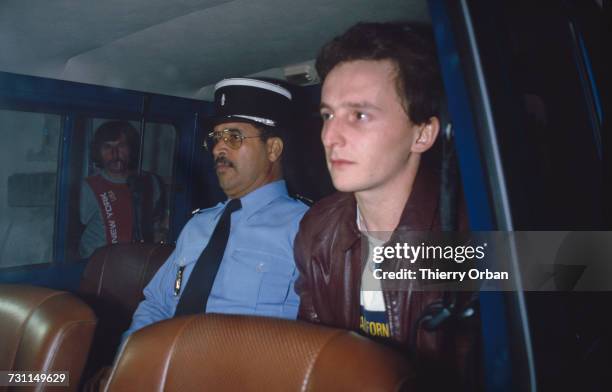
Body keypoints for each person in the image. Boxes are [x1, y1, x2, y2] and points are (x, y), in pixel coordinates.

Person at [294, 22, 477, 388]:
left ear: (422, 134)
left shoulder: (471, 233)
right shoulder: (318, 230)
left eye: (359, 115)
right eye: (327, 115)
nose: (330, 136)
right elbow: (315, 359)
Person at [123, 77, 308, 340]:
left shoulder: (306, 229)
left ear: (273, 149)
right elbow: (157, 304)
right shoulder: (198, 226)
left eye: (233, 137)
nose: (218, 147)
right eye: (216, 138)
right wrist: (127, 362)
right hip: (165, 368)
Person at [79, 121, 165, 258]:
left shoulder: (150, 182)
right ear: (98, 151)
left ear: (131, 149)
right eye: (107, 147)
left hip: (137, 264)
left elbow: (158, 225)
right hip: (97, 267)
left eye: (121, 146)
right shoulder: (88, 186)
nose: (115, 153)